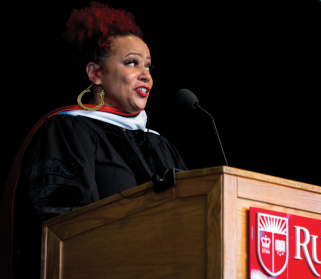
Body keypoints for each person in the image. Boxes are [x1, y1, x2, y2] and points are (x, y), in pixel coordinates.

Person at [0, 2, 186, 278]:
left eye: (148, 65)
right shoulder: (68, 130)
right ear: (95, 73)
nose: (146, 74)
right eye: (132, 63)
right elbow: (59, 221)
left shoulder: (161, 145)